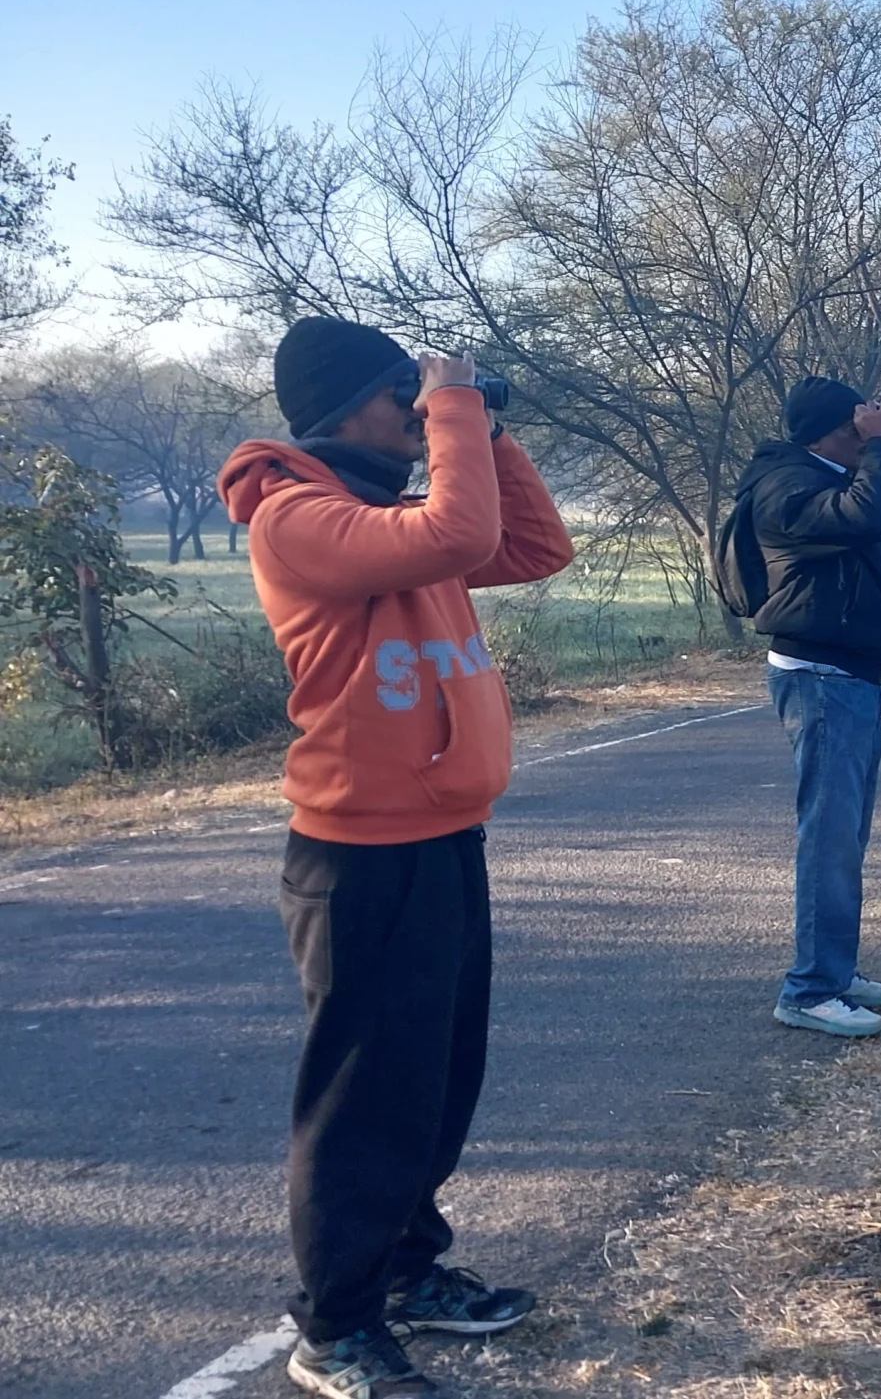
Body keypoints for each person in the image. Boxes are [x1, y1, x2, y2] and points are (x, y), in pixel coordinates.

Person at [218, 315, 576, 1398]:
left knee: (434, 1086)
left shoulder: (392, 516)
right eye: (402, 399)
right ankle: (335, 1329)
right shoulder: (296, 515)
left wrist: (485, 427)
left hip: (442, 836)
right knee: (366, 1103)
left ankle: (409, 1269)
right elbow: (459, 536)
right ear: (344, 409)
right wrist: (455, 401)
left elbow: (533, 546)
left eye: (422, 401)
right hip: (359, 855)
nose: (418, 418)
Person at [732, 376, 881, 1038]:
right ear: (828, 433)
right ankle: (811, 988)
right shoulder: (785, 485)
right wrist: (876, 453)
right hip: (819, 675)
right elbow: (864, 517)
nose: (866, 438)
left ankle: (835, 971)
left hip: (851, 675)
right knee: (829, 837)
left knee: (845, 837)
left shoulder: (836, 477)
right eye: (857, 428)